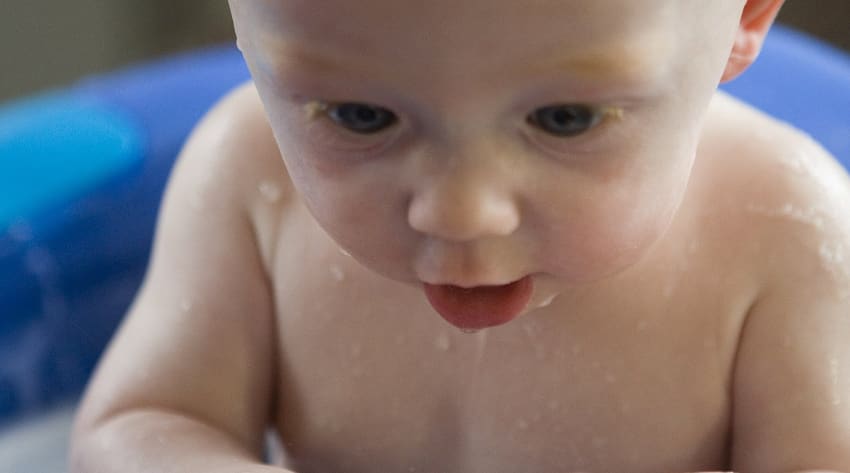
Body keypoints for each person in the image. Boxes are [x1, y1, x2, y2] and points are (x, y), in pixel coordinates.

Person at [69, 0, 850, 472]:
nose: (460, 211)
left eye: (564, 119)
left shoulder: (778, 234)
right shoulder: (247, 180)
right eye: (359, 116)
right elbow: (136, 427)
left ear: (744, 17)